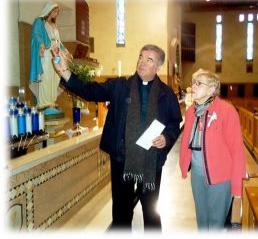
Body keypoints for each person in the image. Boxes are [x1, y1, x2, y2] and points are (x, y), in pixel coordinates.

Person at [52, 44, 182, 231]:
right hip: (122, 159)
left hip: (151, 161)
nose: (142, 62)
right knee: (121, 213)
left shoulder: (166, 94)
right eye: (141, 56)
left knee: (151, 213)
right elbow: (90, 91)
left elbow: (174, 123)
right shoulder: (121, 87)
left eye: (149, 60)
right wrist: (65, 72)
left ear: (158, 67)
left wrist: (166, 138)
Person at [179, 69, 246, 230]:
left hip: (221, 177)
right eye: (192, 82)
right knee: (202, 222)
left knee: (216, 224)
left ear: (211, 89)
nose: (192, 87)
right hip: (197, 175)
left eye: (198, 83)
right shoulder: (191, 112)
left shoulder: (226, 111)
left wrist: (237, 188)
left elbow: (237, 150)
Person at [29, 1, 72, 113]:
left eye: (57, 12)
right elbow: (36, 35)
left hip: (55, 53)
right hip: (46, 53)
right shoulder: (40, 22)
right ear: (48, 10)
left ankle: (51, 101)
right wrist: (41, 45)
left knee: (55, 77)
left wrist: (66, 52)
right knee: (46, 77)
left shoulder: (54, 25)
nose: (56, 14)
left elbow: (58, 41)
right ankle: (43, 102)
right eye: (54, 11)